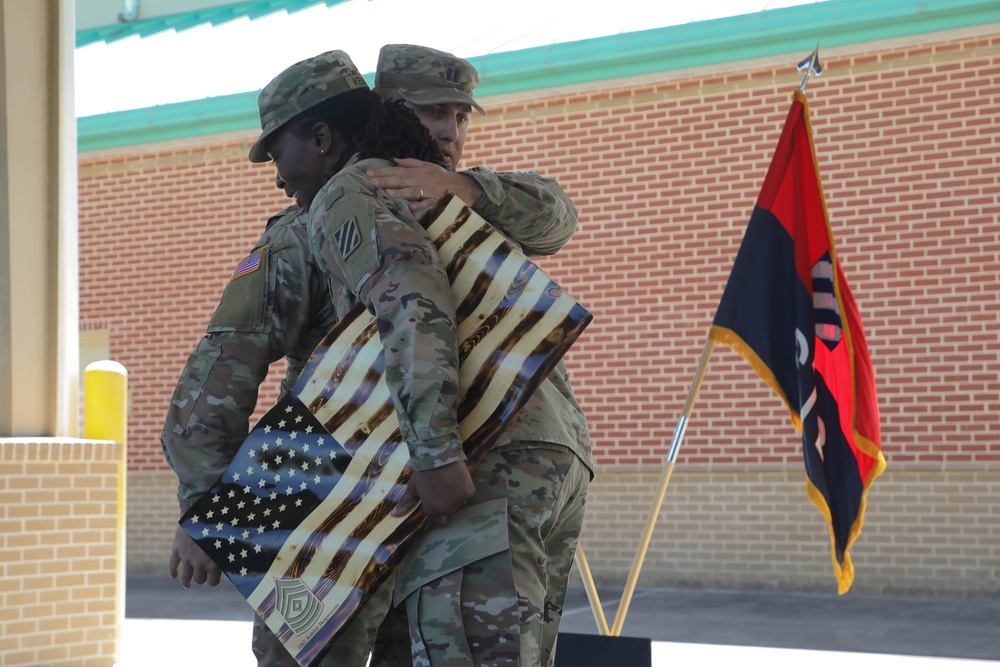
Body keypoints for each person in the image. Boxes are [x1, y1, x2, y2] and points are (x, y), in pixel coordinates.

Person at [362, 44, 596, 667]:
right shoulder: (367, 197)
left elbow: (559, 214)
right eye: (434, 111)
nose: (451, 129)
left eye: (462, 116)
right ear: (389, 108)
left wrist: (464, 189)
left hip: (494, 461)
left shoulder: (471, 196)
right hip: (491, 464)